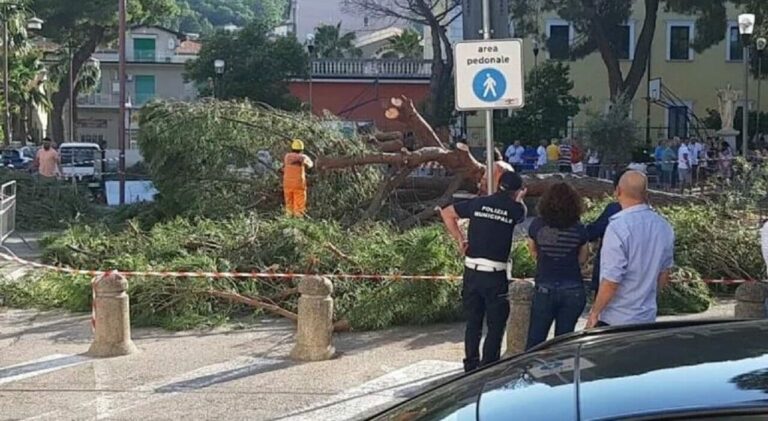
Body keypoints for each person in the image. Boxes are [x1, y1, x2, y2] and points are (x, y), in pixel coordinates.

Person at [440, 171, 527, 372]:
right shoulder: (515, 209)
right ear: (517, 191)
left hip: (471, 271)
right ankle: (488, 367)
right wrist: (520, 200)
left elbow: (447, 213)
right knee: (496, 325)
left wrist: (460, 239)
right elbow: (521, 213)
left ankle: (470, 365)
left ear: (498, 185)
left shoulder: (478, 203)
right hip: (495, 274)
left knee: (473, 322)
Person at [586, 171, 675, 328]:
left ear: (618, 191)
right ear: (646, 193)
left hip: (616, 316)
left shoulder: (617, 227)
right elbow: (664, 273)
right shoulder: (664, 226)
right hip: (646, 314)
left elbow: (612, 280)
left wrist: (595, 311)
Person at [526, 182, 589, 349]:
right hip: (573, 287)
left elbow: (533, 251)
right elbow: (582, 259)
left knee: (535, 341)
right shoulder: (579, 228)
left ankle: (530, 372)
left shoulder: (537, 225)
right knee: (564, 343)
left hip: (545, 285)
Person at [585, 171, 625, 296]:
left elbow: (593, 232)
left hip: (611, 276)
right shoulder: (655, 220)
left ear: (617, 190)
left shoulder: (615, 209)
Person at [283, 138, 314, 217]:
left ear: (292, 148)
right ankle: (298, 220)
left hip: (287, 184)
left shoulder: (287, 156)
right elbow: (310, 165)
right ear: (301, 149)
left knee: (289, 203)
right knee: (299, 204)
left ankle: (288, 218)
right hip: (299, 184)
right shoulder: (303, 157)